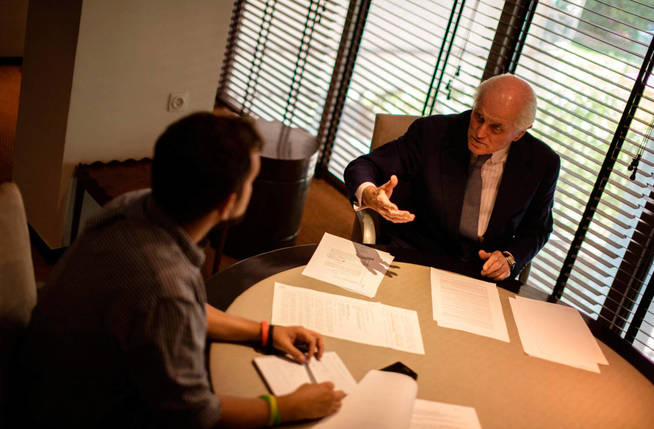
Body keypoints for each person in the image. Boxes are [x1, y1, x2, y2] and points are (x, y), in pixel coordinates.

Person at [19, 113, 345, 428]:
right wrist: (287, 407)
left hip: (44, 374)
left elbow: (182, 308)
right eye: (252, 182)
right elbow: (196, 414)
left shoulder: (133, 205)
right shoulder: (165, 287)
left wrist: (267, 332)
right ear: (226, 204)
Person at [344, 74, 560, 281]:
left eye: (495, 127)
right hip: (418, 256)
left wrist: (510, 259)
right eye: (479, 117)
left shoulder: (543, 163)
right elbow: (364, 166)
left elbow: (537, 228)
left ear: (520, 132)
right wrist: (370, 193)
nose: (480, 132)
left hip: (481, 273)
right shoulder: (433, 133)